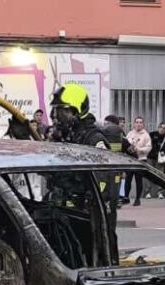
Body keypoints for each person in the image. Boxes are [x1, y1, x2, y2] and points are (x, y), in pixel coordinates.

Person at [48, 83, 119, 252]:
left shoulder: (93, 140)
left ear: (77, 111)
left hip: (88, 215)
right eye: (56, 111)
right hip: (68, 212)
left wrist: (85, 202)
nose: (56, 116)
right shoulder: (69, 137)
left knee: (93, 253)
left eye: (62, 111)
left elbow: (103, 181)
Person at [125, 117, 152, 206]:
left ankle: (137, 199)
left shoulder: (146, 135)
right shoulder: (130, 133)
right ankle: (126, 197)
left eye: (140, 122)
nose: (138, 124)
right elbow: (125, 143)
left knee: (138, 180)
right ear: (134, 124)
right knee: (128, 179)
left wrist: (139, 149)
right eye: (137, 122)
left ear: (143, 124)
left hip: (140, 159)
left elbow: (148, 147)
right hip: (130, 160)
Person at [145, 122, 165, 199]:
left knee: (160, 175)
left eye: (164, 128)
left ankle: (160, 192)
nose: (162, 129)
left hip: (160, 159)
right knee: (149, 175)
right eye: (161, 127)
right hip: (150, 157)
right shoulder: (152, 134)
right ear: (158, 127)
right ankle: (148, 192)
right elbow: (147, 144)